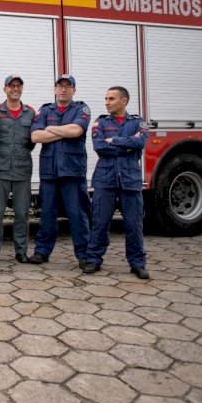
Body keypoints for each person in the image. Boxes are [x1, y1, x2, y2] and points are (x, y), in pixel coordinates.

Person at [84, 86, 150, 279]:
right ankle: (94, 259)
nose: (107, 102)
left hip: (130, 181)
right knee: (99, 222)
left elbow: (140, 143)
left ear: (124, 101)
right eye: (106, 98)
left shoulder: (139, 122)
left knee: (134, 224)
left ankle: (137, 263)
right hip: (105, 181)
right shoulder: (101, 122)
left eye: (111, 99)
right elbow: (100, 146)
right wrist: (127, 143)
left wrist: (115, 140)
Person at [30, 74, 91, 267]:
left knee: (76, 214)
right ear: (55, 89)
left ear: (74, 90)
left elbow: (76, 131)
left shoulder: (81, 108)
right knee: (47, 213)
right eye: (60, 86)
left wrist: (50, 128)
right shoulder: (45, 109)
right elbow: (35, 136)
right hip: (49, 171)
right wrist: (63, 131)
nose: (63, 89)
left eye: (68, 86)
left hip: (72, 171)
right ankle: (42, 251)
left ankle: (84, 255)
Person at [0, 75, 36, 264]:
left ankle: (21, 251)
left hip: (22, 169)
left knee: (22, 213)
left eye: (18, 86)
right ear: (4, 89)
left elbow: (32, 141)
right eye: (11, 86)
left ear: (22, 89)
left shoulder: (31, 113)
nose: (15, 89)